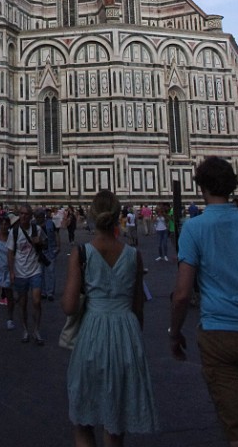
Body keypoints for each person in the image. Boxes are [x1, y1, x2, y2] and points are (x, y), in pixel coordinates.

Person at [169, 157, 238, 447]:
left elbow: (181, 294)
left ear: (201, 186)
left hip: (220, 333)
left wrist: (174, 331)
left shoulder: (195, 228)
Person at [62, 189, 158, 446]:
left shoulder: (81, 253)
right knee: (115, 425)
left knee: (83, 421)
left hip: (92, 334)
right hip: (126, 334)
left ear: (92, 215)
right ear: (118, 216)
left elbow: (69, 307)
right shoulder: (134, 256)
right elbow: (138, 308)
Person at [7, 203, 45, 345]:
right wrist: (11, 271)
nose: (23, 216)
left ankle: (36, 330)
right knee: (22, 304)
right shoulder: (14, 232)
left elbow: (46, 244)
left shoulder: (38, 229)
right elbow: (10, 253)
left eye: (26, 214)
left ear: (30, 216)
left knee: (36, 301)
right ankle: (25, 329)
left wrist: (40, 241)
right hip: (20, 272)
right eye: (21, 214)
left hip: (35, 270)